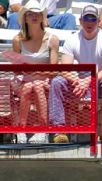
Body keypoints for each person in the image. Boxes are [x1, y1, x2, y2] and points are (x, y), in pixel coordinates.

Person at [48, 5, 102, 144]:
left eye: (93, 18)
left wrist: (88, 80)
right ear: (81, 21)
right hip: (78, 82)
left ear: (98, 21)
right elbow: (65, 69)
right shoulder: (72, 39)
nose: (89, 22)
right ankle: (59, 130)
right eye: (86, 18)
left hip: (99, 80)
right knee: (57, 82)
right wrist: (78, 80)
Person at [11, 0, 59, 144]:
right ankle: (25, 130)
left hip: (46, 81)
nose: (34, 16)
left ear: (42, 17)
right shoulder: (17, 40)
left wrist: (36, 73)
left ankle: (38, 129)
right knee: (29, 86)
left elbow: (54, 70)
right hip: (24, 82)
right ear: (24, 18)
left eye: (37, 13)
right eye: (30, 14)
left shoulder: (52, 39)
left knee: (36, 85)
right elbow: (17, 70)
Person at [7, 0, 76, 30]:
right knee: (14, 17)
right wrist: (37, 15)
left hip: (49, 18)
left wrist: (42, 17)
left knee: (69, 18)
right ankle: (12, 51)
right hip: (26, 15)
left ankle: (63, 52)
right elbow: (14, 6)